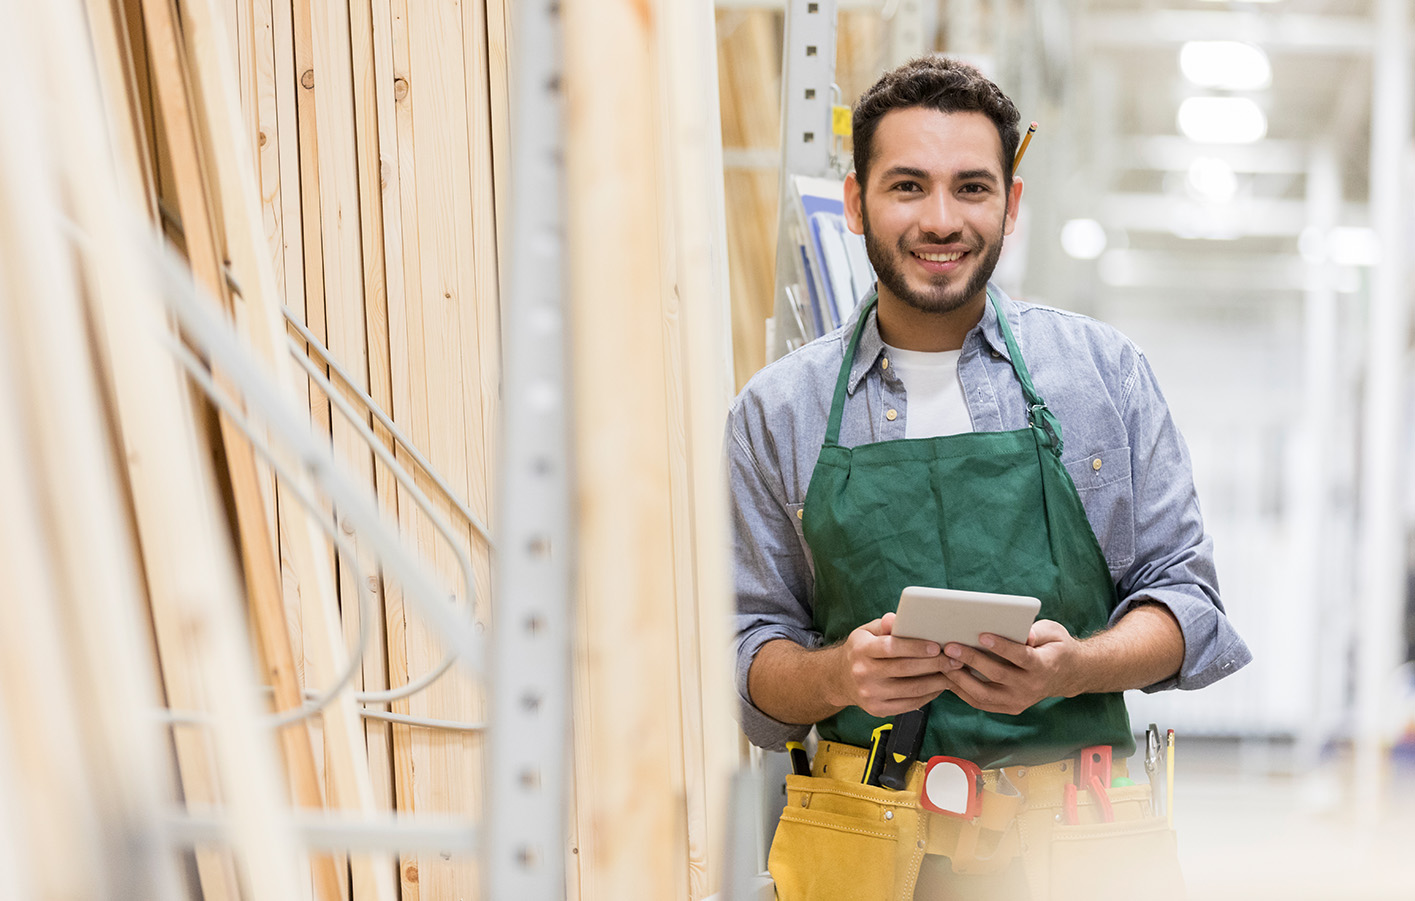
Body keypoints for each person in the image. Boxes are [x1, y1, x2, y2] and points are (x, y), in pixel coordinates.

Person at [727, 56, 1251, 899]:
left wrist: (1074, 665)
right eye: (907, 186)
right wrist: (838, 676)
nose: (941, 219)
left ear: (1009, 204)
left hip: (1077, 848)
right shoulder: (777, 411)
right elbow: (748, 650)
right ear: (857, 203)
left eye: (971, 188)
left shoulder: (1101, 376)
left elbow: (1186, 604)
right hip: (865, 846)